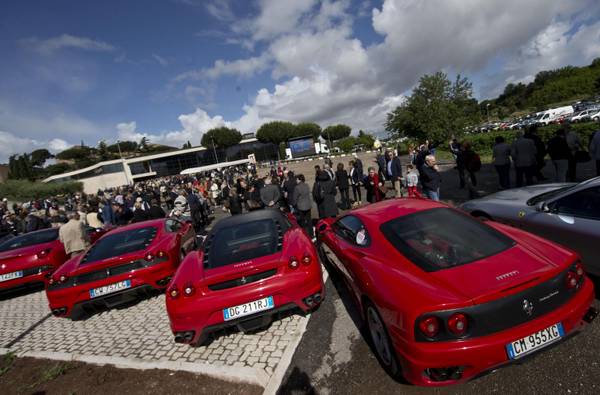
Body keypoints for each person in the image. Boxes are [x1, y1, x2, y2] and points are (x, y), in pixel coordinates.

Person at [292, 174, 313, 238]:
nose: (296, 181)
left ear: (299, 179)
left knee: (302, 221)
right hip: (308, 205)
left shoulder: (297, 187)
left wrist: (294, 204)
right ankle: (311, 233)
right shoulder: (306, 185)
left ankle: (305, 235)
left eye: (296, 179)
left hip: (301, 206)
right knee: (309, 220)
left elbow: (295, 198)